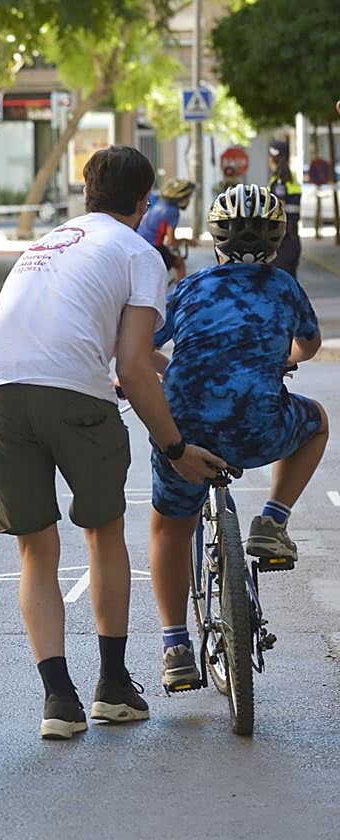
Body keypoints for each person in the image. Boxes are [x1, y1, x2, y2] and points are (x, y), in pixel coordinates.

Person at [0, 145, 225, 741]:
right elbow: (130, 370)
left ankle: (58, 701)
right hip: (74, 395)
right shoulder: (140, 252)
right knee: (103, 530)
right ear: (144, 202)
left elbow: (116, 350)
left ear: (86, 195)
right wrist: (175, 447)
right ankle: (113, 686)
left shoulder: (48, 243)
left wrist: (164, 366)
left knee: (36, 550)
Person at [146, 184, 327, 693]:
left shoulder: (190, 289)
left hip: (184, 435)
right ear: (277, 240)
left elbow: (142, 345)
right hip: (258, 426)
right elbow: (308, 346)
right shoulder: (286, 288)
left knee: (169, 529)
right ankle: (272, 520)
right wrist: (278, 358)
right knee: (315, 421)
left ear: (215, 236)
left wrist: (171, 370)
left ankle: (176, 646)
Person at [137, 177, 195, 283]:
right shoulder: (173, 212)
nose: (189, 201)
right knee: (179, 263)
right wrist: (186, 240)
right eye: (189, 197)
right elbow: (171, 242)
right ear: (182, 197)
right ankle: (179, 294)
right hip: (154, 246)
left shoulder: (157, 200)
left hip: (140, 240)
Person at [268, 140, 302, 277]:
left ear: (273, 158)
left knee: (280, 285)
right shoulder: (291, 178)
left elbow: (278, 211)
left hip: (283, 241)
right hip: (293, 239)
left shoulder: (279, 181)